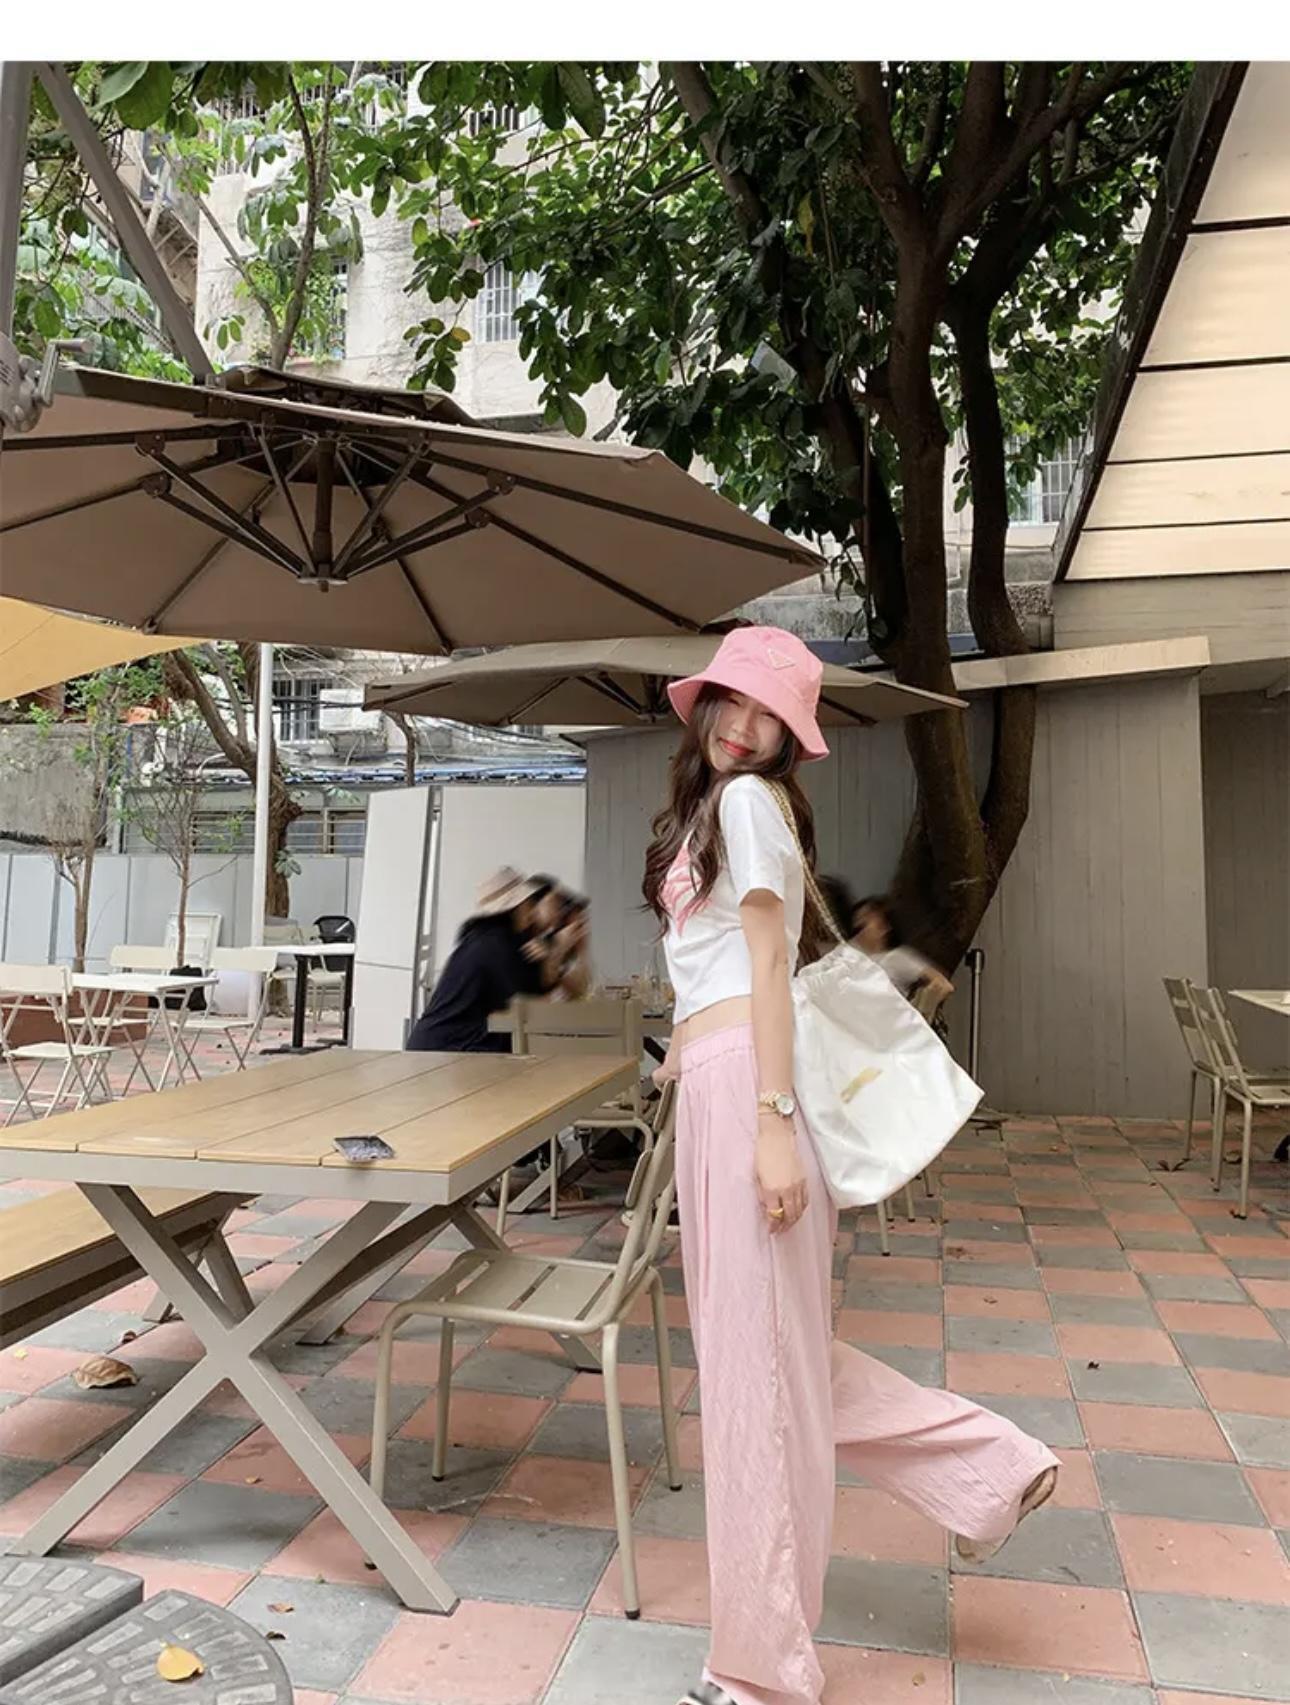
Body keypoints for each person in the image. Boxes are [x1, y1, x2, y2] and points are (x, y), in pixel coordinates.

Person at [643, 626, 1057, 1705]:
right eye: (734, 702)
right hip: (721, 1083)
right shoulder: (715, 807)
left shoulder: (746, 803)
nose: (745, 728)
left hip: (750, 1088)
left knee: (756, 1377)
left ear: (790, 735)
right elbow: (719, 964)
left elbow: (770, 965)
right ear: (707, 703)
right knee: (770, 1359)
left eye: (769, 714)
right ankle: (993, 1465)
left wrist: (773, 1121)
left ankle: (762, 1666)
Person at [406, 867, 563, 1054]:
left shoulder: (487, 939)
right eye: (528, 904)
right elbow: (531, 1009)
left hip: (444, 1045)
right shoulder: (495, 944)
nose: (532, 912)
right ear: (514, 908)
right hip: (447, 1050)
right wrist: (558, 954)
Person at [852, 892, 954, 1006]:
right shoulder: (849, 954)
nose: (860, 924)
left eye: (867, 918)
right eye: (859, 919)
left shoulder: (897, 957)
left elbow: (943, 985)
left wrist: (921, 1010)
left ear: (883, 926)